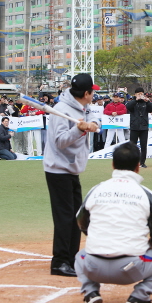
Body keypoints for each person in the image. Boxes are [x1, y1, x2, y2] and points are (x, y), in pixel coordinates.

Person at [75, 141, 152, 303]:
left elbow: (81, 222)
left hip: (93, 266)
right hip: (130, 270)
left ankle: (90, 292)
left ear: (113, 164)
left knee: (79, 255)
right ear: (138, 167)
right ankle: (140, 297)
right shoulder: (146, 194)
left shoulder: (96, 189)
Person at [44, 73, 100, 277]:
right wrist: (79, 130)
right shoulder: (60, 110)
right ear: (86, 93)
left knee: (77, 217)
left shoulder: (82, 106)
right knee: (65, 218)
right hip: (58, 170)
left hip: (72, 170)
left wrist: (92, 124)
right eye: (92, 91)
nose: (93, 95)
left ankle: (71, 258)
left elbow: (92, 116)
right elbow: (60, 141)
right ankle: (59, 262)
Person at [126, 87, 152, 168]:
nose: (140, 95)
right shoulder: (132, 102)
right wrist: (136, 100)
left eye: (141, 93)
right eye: (138, 94)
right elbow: (128, 107)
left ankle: (142, 162)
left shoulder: (145, 102)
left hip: (144, 127)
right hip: (134, 127)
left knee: (143, 145)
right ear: (135, 94)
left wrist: (148, 101)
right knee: (132, 146)